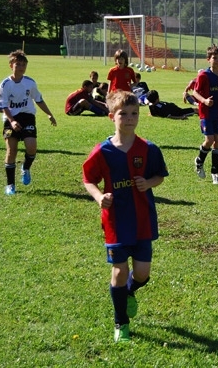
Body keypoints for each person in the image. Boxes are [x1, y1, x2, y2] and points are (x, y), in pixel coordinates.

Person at [82, 90, 168, 343]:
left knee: (142, 274)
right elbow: (88, 180)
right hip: (116, 222)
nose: (130, 118)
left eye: (134, 114)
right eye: (123, 114)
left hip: (142, 221)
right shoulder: (103, 151)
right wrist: (99, 197)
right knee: (119, 271)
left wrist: (148, 183)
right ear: (112, 116)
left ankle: (129, 291)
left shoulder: (149, 149)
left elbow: (160, 176)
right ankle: (121, 322)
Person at [0, 50, 57, 195]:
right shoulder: (5, 84)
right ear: (11, 65)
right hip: (10, 118)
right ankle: (10, 184)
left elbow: (38, 99)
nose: (21, 67)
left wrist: (49, 114)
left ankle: (26, 168)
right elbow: (3, 105)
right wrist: (12, 121)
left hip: (27, 117)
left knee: (31, 148)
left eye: (24, 65)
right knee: (12, 151)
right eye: (18, 64)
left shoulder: (30, 83)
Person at [190, 44, 218, 184]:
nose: (217, 60)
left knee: (217, 140)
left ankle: (215, 172)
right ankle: (199, 161)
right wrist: (205, 101)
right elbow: (195, 92)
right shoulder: (203, 75)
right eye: (214, 58)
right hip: (206, 112)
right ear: (208, 59)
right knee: (209, 140)